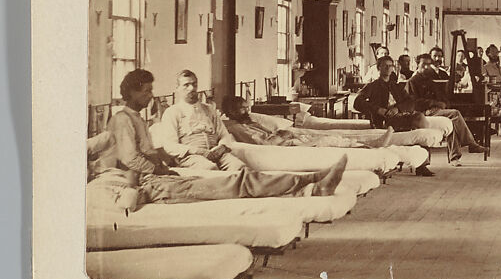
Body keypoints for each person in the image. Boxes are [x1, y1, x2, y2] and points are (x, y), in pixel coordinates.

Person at [101, 69, 347, 203]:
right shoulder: (123, 119)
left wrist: (162, 166)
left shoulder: (136, 118)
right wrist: (161, 169)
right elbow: (132, 159)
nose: (150, 96)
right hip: (149, 184)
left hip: (159, 179)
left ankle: (309, 184)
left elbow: (148, 154)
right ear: (131, 92)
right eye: (146, 91)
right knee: (235, 182)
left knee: (238, 177)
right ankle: (308, 184)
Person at [353, 56, 443, 173]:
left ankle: (422, 163)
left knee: (419, 119)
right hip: (384, 120)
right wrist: (377, 110)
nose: (388, 68)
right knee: (419, 121)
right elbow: (357, 102)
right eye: (385, 66)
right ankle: (422, 165)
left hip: (399, 117)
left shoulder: (395, 86)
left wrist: (398, 108)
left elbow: (410, 102)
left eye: (390, 66)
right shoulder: (372, 86)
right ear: (378, 68)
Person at [221, 96, 395, 149]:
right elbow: (263, 143)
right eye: (242, 109)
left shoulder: (250, 122)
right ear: (231, 112)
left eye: (247, 107)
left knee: (332, 138)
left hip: (287, 139)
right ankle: (369, 145)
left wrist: (283, 132)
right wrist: (284, 134)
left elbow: (269, 133)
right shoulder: (237, 128)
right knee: (327, 140)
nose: (247, 111)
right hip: (285, 145)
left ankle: (369, 144)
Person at [157, 70, 245, 172]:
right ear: (177, 88)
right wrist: (198, 151)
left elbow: (224, 134)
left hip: (217, 153)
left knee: (240, 168)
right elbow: (170, 145)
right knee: (210, 169)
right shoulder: (172, 112)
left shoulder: (209, 109)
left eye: (194, 84)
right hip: (192, 156)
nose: (192, 88)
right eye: (186, 85)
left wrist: (222, 147)